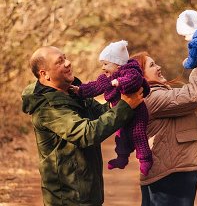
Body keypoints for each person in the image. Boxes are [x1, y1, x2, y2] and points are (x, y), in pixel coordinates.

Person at [21, 45, 144, 206]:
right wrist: (125, 107)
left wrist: (127, 95)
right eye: (60, 61)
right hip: (68, 198)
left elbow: (102, 113)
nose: (68, 63)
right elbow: (87, 133)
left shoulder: (73, 93)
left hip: (87, 193)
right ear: (45, 74)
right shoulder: (48, 108)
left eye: (65, 57)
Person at [131, 43, 197, 206]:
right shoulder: (150, 98)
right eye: (152, 65)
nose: (159, 67)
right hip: (169, 174)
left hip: (173, 170)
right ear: (140, 76)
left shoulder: (154, 94)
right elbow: (194, 96)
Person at [71, 40, 153, 176]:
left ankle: (145, 159)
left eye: (105, 64)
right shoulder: (107, 78)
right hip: (121, 112)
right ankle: (122, 158)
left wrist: (120, 82)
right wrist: (79, 90)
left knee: (138, 134)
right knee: (121, 136)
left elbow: (134, 81)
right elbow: (94, 86)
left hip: (137, 111)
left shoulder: (131, 71)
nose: (103, 68)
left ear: (118, 64)